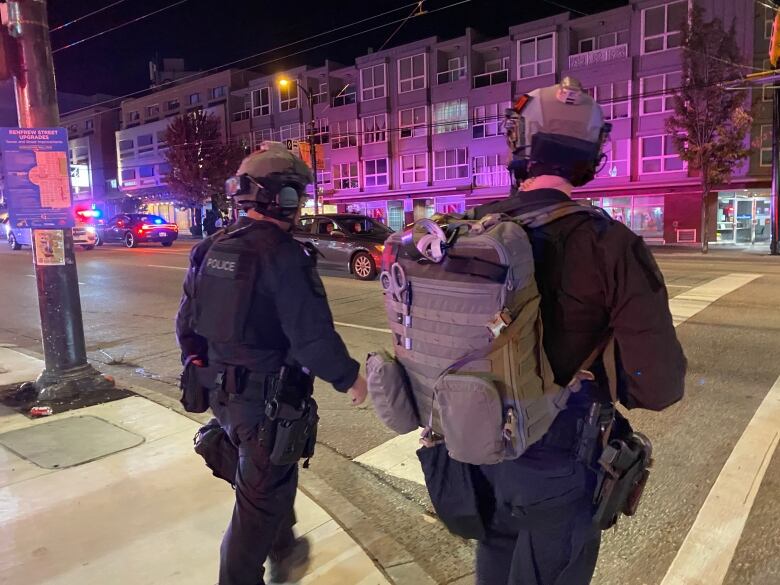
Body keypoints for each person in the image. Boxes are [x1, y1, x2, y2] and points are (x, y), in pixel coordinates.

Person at [464, 78, 686, 584]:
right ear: (591, 152)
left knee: (494, 566)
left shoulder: (473, 228)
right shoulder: (611, 244)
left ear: (519, 143)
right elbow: (660, 384)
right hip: (560, 460)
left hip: (477, 448)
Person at [175, 142, 368, 585]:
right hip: (267, 404)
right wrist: (351, 379)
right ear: (280, 196)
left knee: (269, 480)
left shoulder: (210, 247)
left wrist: (205, 365)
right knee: (253, 515)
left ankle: (285, 548)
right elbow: (312, 338)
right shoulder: (283, 254)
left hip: (223, 399)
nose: (298, 205)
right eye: (296, 194)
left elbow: (186, 325)